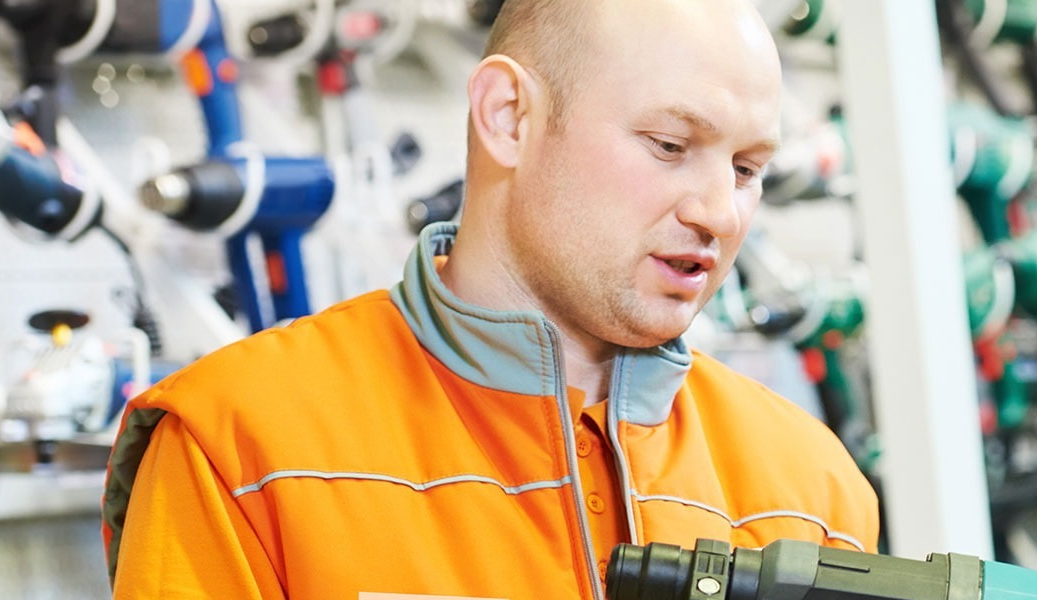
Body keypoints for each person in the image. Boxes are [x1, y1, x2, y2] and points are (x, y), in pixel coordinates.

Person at [100, 0, 878, 597]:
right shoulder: (241, 449)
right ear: (508, 117)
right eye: (670, 146)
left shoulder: (810, 488)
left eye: (746, 168)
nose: (719, 212)